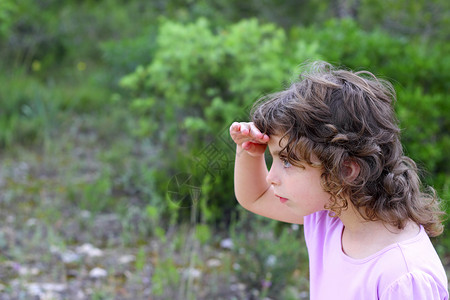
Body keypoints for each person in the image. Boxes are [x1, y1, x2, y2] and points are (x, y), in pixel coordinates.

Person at [229, 61, 449, 299]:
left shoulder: (403, 277)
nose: (271, 177)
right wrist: (249, 151)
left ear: (345, 170)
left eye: (288, 161)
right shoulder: (331, 215)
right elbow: (256, 197)